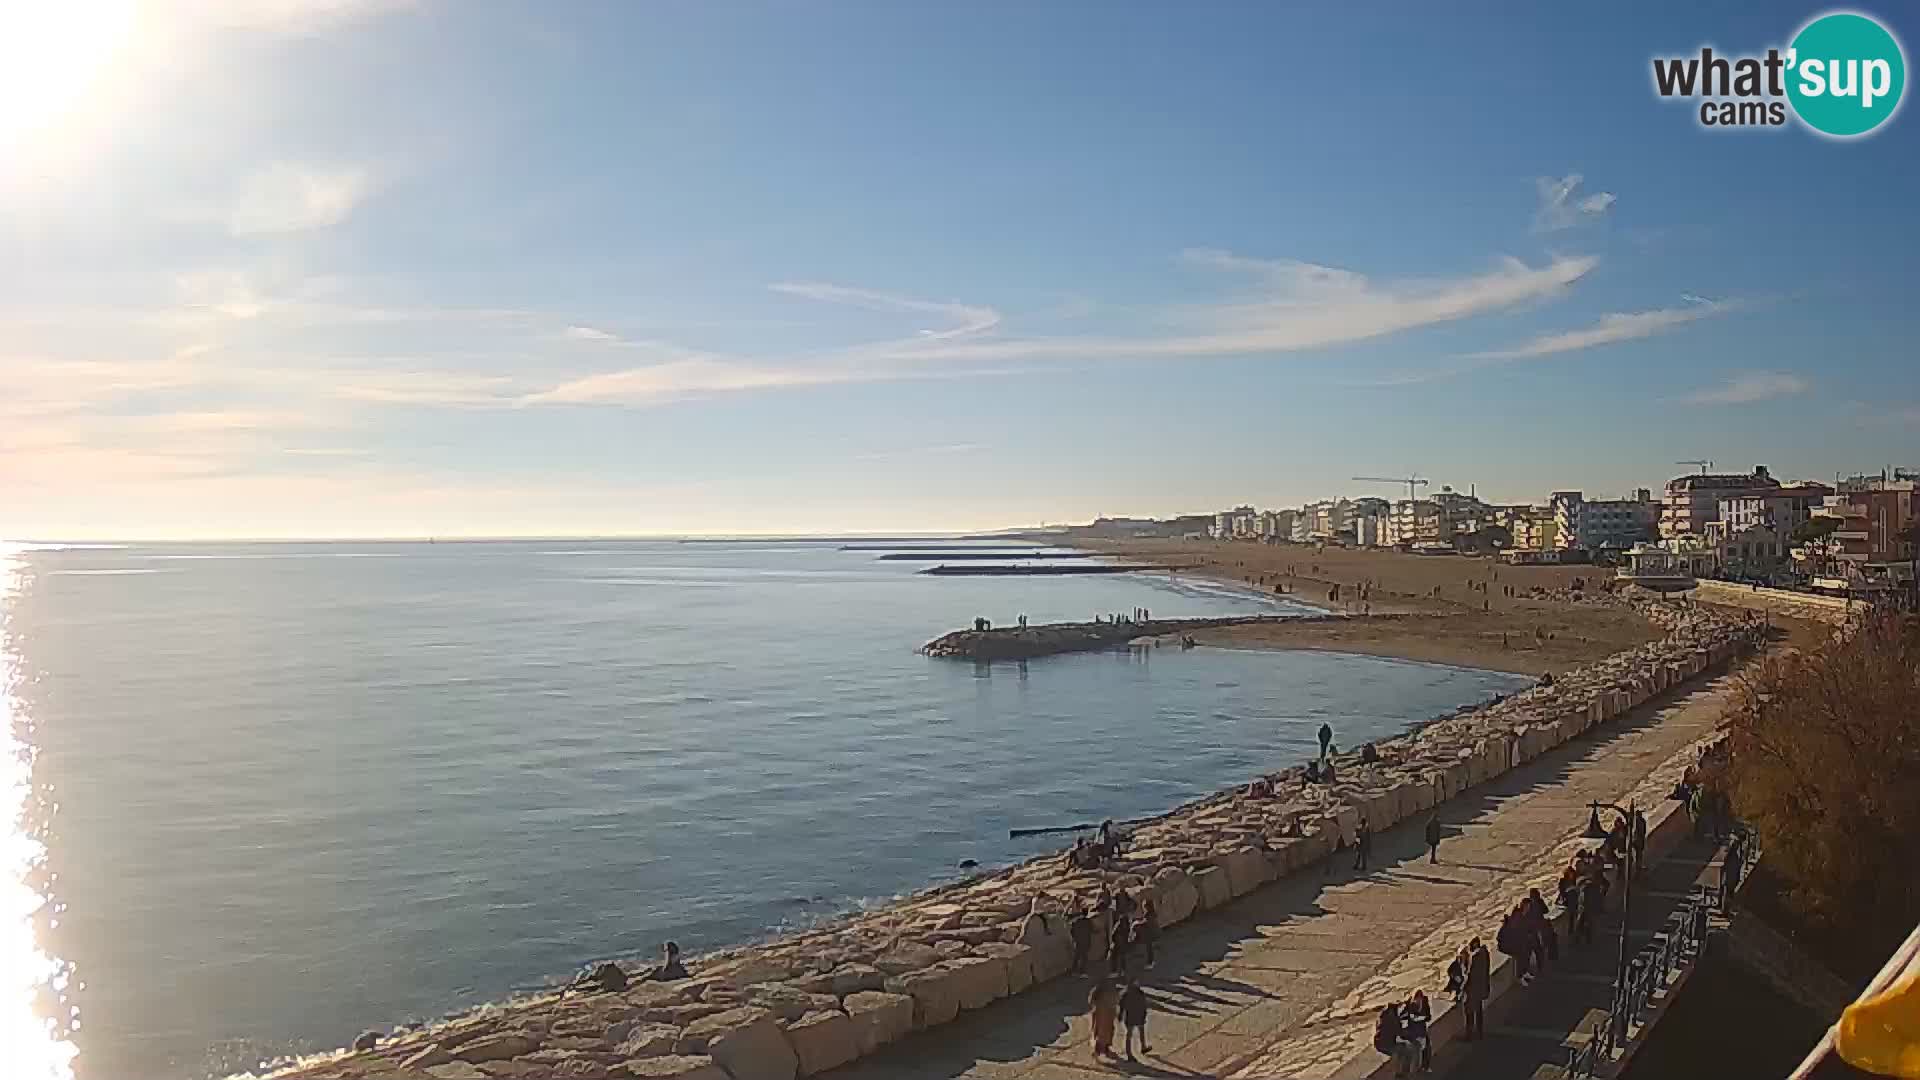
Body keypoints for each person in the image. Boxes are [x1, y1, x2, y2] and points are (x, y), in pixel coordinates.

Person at [1464, 937, 1491, 1040]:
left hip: (1472, 988)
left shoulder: (1474, 957)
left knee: (1470, 1012)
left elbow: (1469, 972)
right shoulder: (1484, 954)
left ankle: (1470, 1034)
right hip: (1480, 988)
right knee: (1478, 1010)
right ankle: (1479, 1032)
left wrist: (1469, 958)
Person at [1119, 976, 1151, 1060]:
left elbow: (1122, 1006)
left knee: (1131, 1034)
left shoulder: (1126, 994)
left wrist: (1120, 1015)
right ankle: (1135, 1051)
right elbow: (1144, 1005)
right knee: (1135, 1033)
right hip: (1137, 1015)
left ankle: (1133, 1052)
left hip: (1132, 1016)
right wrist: (1144, 1014)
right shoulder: (1139, 993)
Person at [1088, 977, 1119, 1059]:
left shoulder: (1107, 991)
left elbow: (1115, 1001)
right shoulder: (1100, 991)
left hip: (1107, 1014)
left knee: (1108, 1031)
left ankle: (1104, 1049)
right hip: (1101, 1014)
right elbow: (1091, 1000)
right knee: (1101, 1032)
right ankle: (1098, 1051)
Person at [1404, 990, 1433, 1071]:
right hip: (1414, 1030)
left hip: (1422, 1029)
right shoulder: (1409, 1003)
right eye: (1417, 1000)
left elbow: (1428, 1016)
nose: (1418, 1001)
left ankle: (1425, 1066)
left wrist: (1422, 1018)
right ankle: (1415, 1067)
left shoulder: (1424, 1001)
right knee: (1417, 1049)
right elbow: (1407, 1015)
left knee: (1427, 1048)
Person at [1069, 905, 1093, 975]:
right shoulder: (1088, 921)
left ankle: (1074, 970)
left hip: (1078, 941)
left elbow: (1072, 931)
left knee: (1077, 956)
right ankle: (1083, 972)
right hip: (1086, 941)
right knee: (1084, 957)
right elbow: (1092, 930)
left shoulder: (1077, 922)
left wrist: (1074, 939)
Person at [1108, 909, 1134, 975]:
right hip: (1122, 942)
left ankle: (1115, 972)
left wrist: (1112, 941)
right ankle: (1123, 971)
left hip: (1118, 942)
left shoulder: (1120, 922)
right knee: (1122, 957)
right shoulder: (1127, 923)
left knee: (1115, 956)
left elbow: (1114, 932)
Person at [1136, 901, 1159, 968]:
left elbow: (1142, 922)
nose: (1142, 907)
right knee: (1150, 947)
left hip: (1150, 933)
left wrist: (1135, 922)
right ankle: (1151, 962)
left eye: (1143, 905)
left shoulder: (1148, 915)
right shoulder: (1151, 914)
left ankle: (1151, 963)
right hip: (1152, 932)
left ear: (1147, 907)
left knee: (1149, 948)